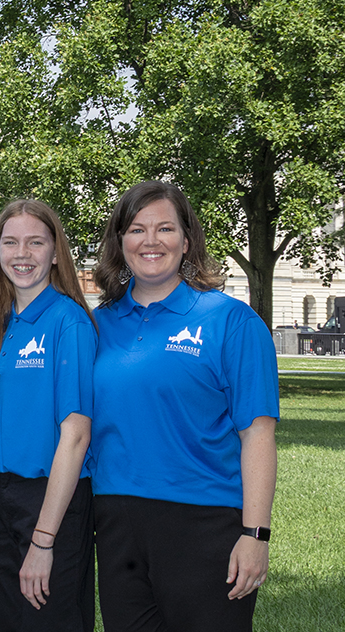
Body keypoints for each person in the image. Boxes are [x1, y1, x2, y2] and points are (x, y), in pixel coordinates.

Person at [90, 181, 278, 631]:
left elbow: (257, 433)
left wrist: (255, 535)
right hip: (116, 523)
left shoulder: (230, 321)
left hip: (205, 524)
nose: (150, 241)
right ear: (120, 242)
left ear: (187, 239)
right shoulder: (94, 327)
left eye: (165, 228)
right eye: (136, 229)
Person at [0, 200, 97, 631]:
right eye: (11, 242)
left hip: (50, 501)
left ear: (55, 252)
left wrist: (44, 540)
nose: (22, 254)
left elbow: (75, 436)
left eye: (35, 242)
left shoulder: (68, 322)